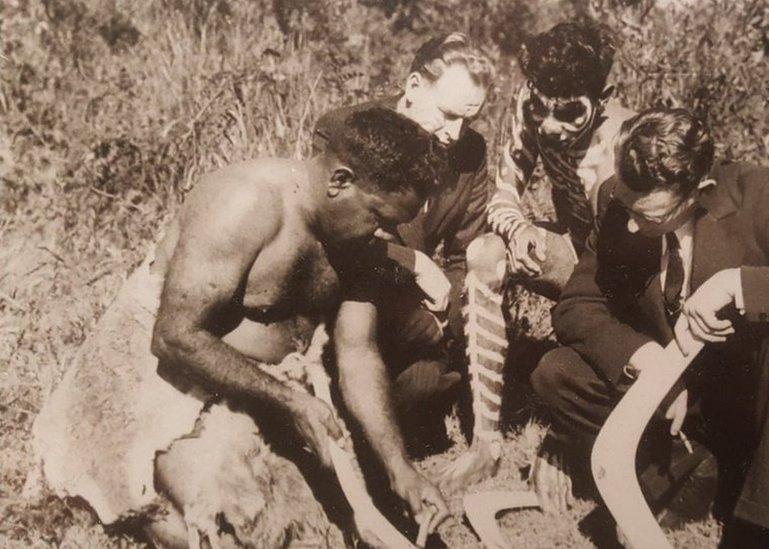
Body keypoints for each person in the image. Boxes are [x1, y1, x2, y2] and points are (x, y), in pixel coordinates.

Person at [32, 107, 449, 547]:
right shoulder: (245, 202)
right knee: (234, 518)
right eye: (380, 219)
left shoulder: (359, 238)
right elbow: (174, 336)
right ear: (340, 182)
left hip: (267, 385)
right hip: (169, 374)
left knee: (326, 526)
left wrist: (400, 468)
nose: (388, 239)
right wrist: (291, 402)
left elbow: (357, 354)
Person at [530, 108, 769, 547]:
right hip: (693, 395)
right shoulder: (620, 202)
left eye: (650, 215)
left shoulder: (761, 196)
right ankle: (691, 468)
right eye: (626, 204)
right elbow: (578, 305)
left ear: (697, 191)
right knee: (558, 372)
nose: (631, 224)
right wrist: (648, 361)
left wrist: (738, 285)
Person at [312, 32, 499, 488]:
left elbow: (463, 254)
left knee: (423, 385)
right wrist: (411, 262)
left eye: (469, 118)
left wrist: (443, 317)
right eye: (448, 114)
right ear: (414, 87)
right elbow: (325, 233)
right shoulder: (346, 129)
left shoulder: (469, 151)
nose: (456, 133)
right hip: (352, 289)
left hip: (414, 309)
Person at [459, 19, 636, 485]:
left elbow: (629, 285)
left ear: (605, 96)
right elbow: (504, 191)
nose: (550, 126)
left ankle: (576, 428)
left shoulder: (621, 139)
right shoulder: (530, 104)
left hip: (618, 280)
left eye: (569, 113)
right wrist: (517, 229)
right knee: (484, 254)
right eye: (541, 107)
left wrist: (562, 438)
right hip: (575, 250)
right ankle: (485, 440)